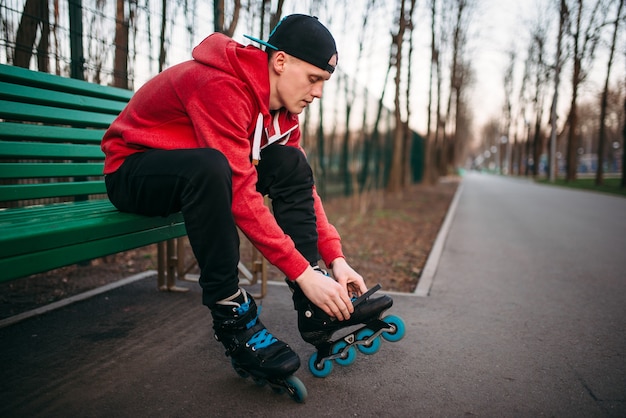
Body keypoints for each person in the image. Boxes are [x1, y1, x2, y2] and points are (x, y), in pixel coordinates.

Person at [101, 14, 369, 380]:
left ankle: (313, 303)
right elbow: (239, 193)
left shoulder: (285, 115)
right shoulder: (221, 85)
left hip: (199, 175)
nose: (319, 92)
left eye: (324, 82)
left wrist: (333, 258)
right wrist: (300, 271)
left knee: (289, 161)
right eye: (313, 79)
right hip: (133, 173)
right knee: (211, 167)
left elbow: (300, 187)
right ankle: (232, 318)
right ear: (280, 61)